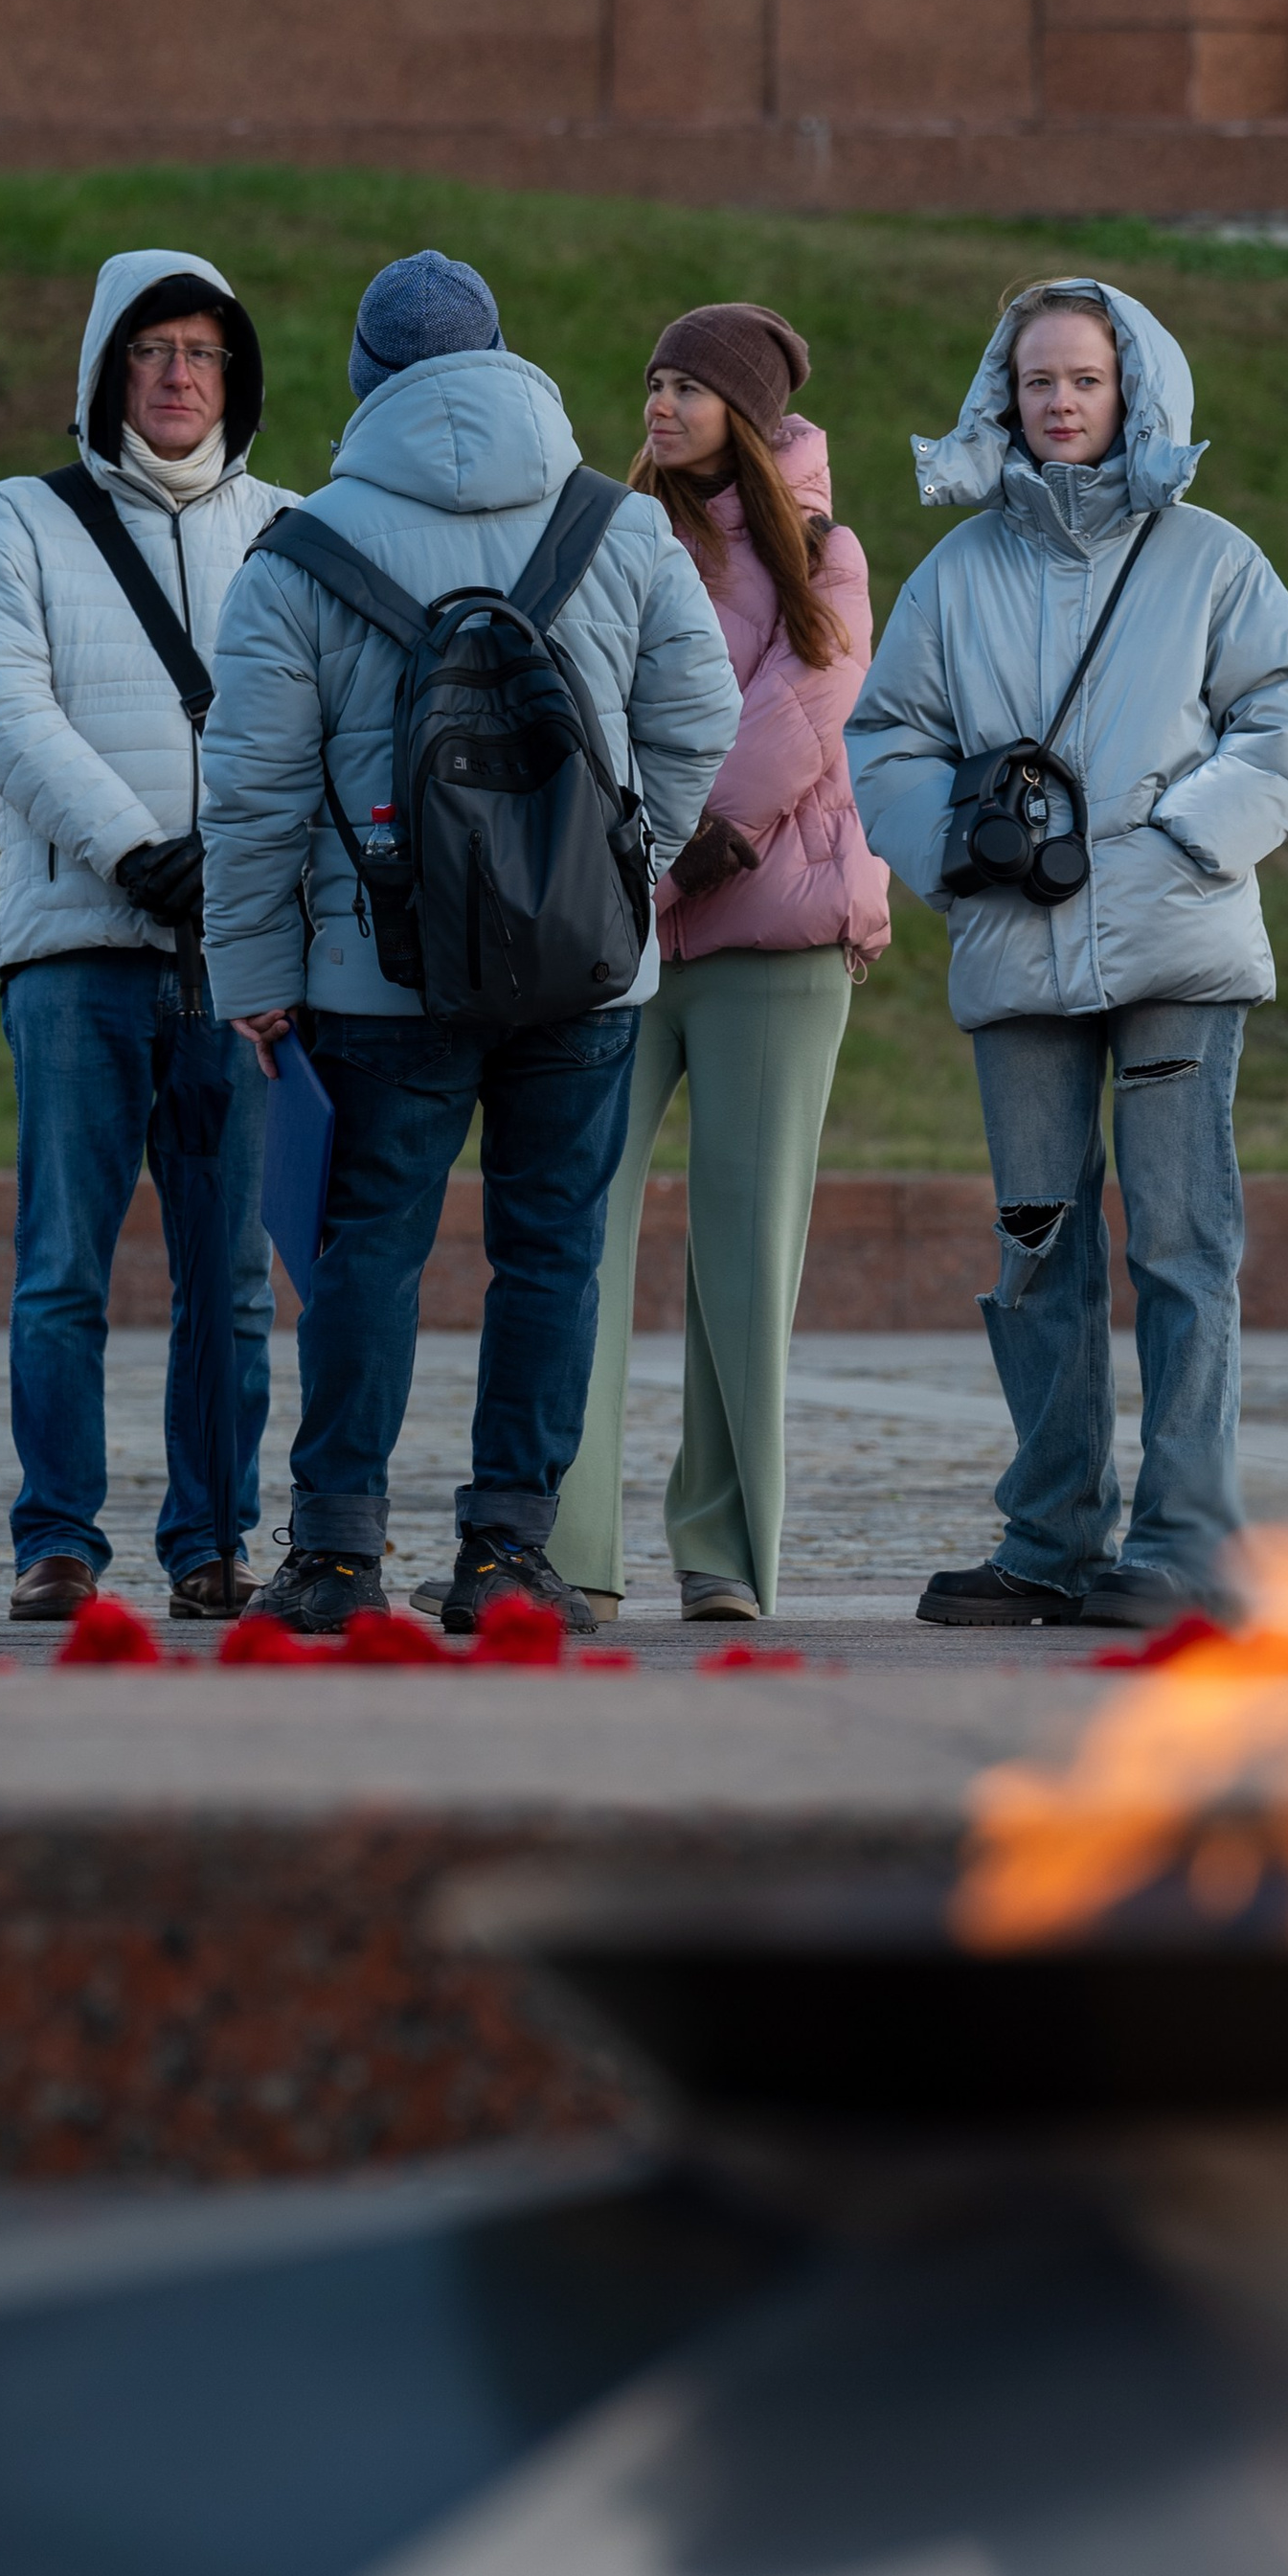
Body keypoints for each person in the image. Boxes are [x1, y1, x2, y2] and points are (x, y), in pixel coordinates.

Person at [201, 251, 739, 1636]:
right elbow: (697, 724)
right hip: (586, 973)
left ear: (366, 383)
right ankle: (509, 1553)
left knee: (367, 1250)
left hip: (376, 972)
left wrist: (254, 976)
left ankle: (334, 1554)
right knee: (551, 1250)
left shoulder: (302, 547)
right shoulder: (618, 529)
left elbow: (253, 791)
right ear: (509, 360)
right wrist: (624, 869)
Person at [847, 278, 1288, 1632]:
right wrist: (954, 850)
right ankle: (1051, 1534)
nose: (1058, 404)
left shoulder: (1212, 558)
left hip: (1177, 947)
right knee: (1036, 1252)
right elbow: (884, 739)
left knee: (1182, 1246)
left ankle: (1187, 1543)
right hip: (1017, 957)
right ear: (1002, 394)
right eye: (1036, 381)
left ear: (1134, 392)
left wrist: (1191, 837)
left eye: (1084, 381)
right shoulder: (957, 575)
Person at [0, 249, 292, 1623]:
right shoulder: (17, 523)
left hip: (243, 963)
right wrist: (137, 851)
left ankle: (213, 1541)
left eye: (203, 352)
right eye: (150, 350)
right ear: (105, 370)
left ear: (233, 376)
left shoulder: (289, 525)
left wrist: (243, 873)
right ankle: (59, 1541)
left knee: (234, 1282)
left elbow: (325, 725)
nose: (177, 376)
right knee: (62, 1272)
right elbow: (0, 710)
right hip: (78, 948)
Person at [528, 303, 890, 1628]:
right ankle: (566, 1551)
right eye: (653, 381)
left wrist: (654, 866)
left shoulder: (830, 556)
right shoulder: (609, 534)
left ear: (746, 410)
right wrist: (622, 883)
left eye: (689, 387)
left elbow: (792, 724)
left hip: (772, 936)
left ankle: (725, 1554)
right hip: (615, 940)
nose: (661, 406)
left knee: (747, 1257)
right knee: (575, 1230)